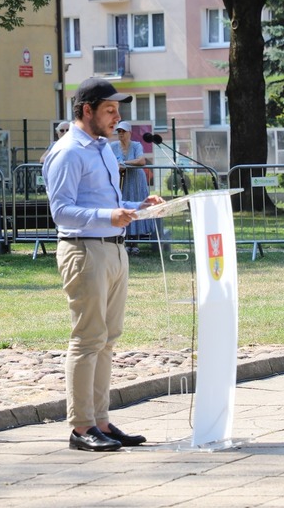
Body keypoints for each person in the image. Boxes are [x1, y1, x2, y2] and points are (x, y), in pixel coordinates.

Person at [42, 77, 164, 452]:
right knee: (88, 338)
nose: (117, 117)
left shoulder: (104, 150)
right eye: (109, 110)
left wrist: (137, 208)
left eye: (117, 110)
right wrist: (108, 215)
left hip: (114, 249)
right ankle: (81, 427)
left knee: (108, 339)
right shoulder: (67, 152)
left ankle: (101, 421)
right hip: (84, 250)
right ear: (87, 110)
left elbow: (107, 203)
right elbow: (61, 211)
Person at [109, 120, 155, 253]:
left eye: (123, 131)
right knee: (123, 206)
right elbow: (110, 161)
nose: (121, 134)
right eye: (119, 131)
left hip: (136, 180)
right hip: (121, 181)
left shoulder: (136, 145)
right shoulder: (113, 146)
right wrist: (119, 166)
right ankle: (124, 241)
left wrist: (124, 163)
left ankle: (135, 243)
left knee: (137, 206)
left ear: (129, 132)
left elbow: (141, 161)